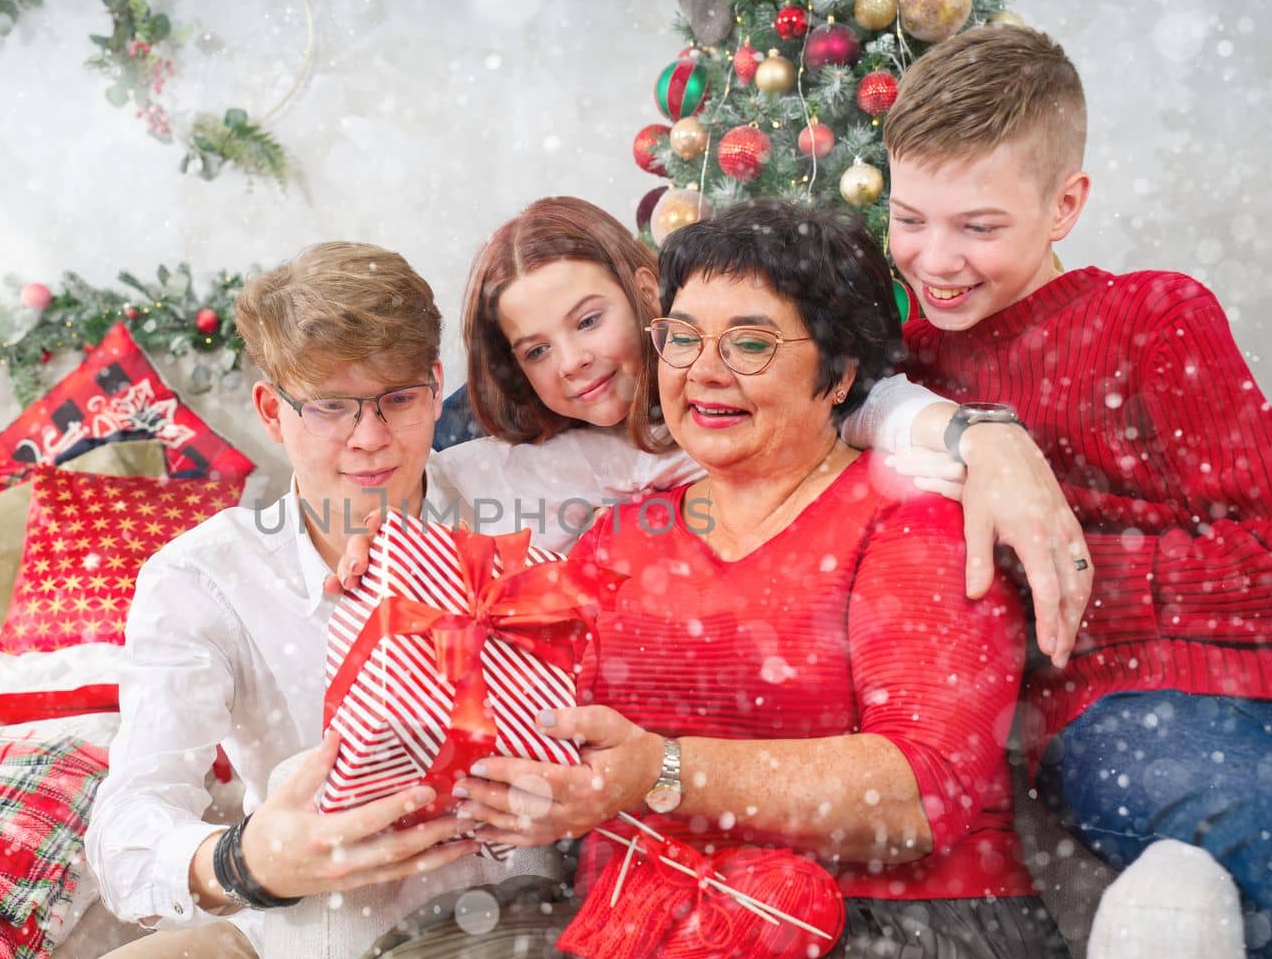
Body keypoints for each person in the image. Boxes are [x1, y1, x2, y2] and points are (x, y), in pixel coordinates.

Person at [288, 199, 1080, 959]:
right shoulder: (627, 531)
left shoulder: (912, 523)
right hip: (637, 923)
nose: (703, 371)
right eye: (682, 338)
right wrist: (403, 575)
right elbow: (517, 671)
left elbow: (926, 789)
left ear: (840, 375)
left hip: (888, 932)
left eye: (748, 343)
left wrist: (663, 772)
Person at [0, 243, 559, 959]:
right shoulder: (202, 575)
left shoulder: (527, 496)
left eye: (397, 399)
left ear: (437, 391)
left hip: (509, 925)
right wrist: (246, 861)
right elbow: (127, 828)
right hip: (290, 922)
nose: (369, 439)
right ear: (271, 412)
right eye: (330, 406)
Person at [880, 25, 1272, 959]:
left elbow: (1269, 553)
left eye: (976, 226)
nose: (934, 259)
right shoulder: (909, 374)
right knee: (1261, 822)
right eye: (907, 219)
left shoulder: (1155, 318)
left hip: (1258, 683)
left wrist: (1072, 573)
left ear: (1066, 204)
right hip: (1115, 715)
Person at [378, 195, 1093, 666]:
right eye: (535, 349)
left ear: (649, 293)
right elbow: (405, 503)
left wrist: (988, 440)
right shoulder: (497, 448)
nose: (573, 362)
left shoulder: (726, 391)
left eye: (589, 320)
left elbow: (873, 405)